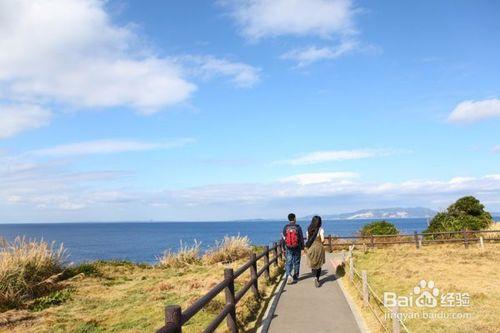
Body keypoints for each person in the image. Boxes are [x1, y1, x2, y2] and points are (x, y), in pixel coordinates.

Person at [282, 213, 305, 284]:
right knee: (297, 262)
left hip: (288, 247)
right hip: (297, 247)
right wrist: (302, 247)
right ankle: (295, 277)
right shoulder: (298, 227)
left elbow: (284, 238)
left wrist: (283, 247)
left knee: (289, 261)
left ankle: (289, 275)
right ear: (294, 218)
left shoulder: (286, 227)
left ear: (289, 219)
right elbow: (301, 238)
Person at [305, 215, 326, 288]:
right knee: (319, 264)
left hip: (311, 248)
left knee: (313, 263)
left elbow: (308, 240)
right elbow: (323, 240)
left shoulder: (308, 229)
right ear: (320, 222)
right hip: (319, 248)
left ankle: (314, 276)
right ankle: (317, 278)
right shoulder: (321, 230)